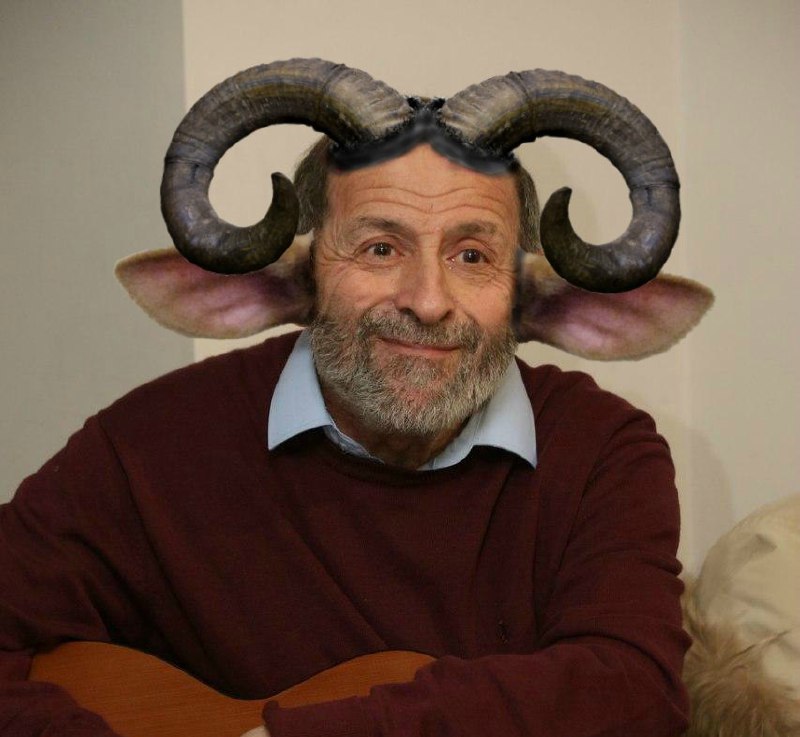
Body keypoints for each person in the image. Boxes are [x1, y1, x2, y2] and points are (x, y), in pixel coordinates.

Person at [0, 60, 713, 736]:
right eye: (379, 248)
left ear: (525, 296)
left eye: (472, 255)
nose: (427, 301)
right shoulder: (152, 446)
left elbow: (636, 692)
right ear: (298, 281)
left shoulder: (603, 453)